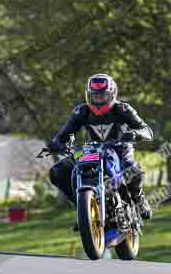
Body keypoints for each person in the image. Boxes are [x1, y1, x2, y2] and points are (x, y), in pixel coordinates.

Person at [46, 74, 154, 226]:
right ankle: (82, 209)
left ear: (112, 95)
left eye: (102, 96)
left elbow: (148, 131)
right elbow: (64, 134)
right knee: (57, 172)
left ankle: (139, 199)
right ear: (88, 95)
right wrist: (56, 143)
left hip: (120, 149)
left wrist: (135, 134)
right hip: (91, 151)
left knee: (132, 168)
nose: (98, 99)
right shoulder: (81, 112)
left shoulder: (123, 109)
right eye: (94, 96)